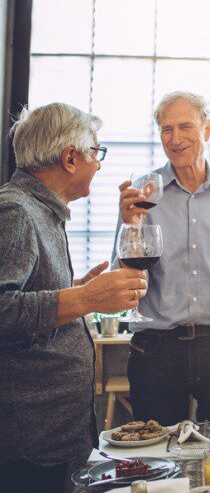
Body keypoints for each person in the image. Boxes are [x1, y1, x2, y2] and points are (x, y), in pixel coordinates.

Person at [0, 103, 148, 493]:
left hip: (57, 430)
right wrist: (83, 298)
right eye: (95, 153)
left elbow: (28, 294)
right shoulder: (15, 211)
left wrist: (80, 288)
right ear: (70, 158)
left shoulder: (42, 210)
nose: (98, 165)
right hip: (31, 440)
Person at [113, 91, 210, 425]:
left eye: (186, 126)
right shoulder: (143, 192)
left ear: (208, 129)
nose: (176, 138)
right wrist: (131, 227)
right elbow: (120, 277)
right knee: (156, 456)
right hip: (155, 348)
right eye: (167, 129)